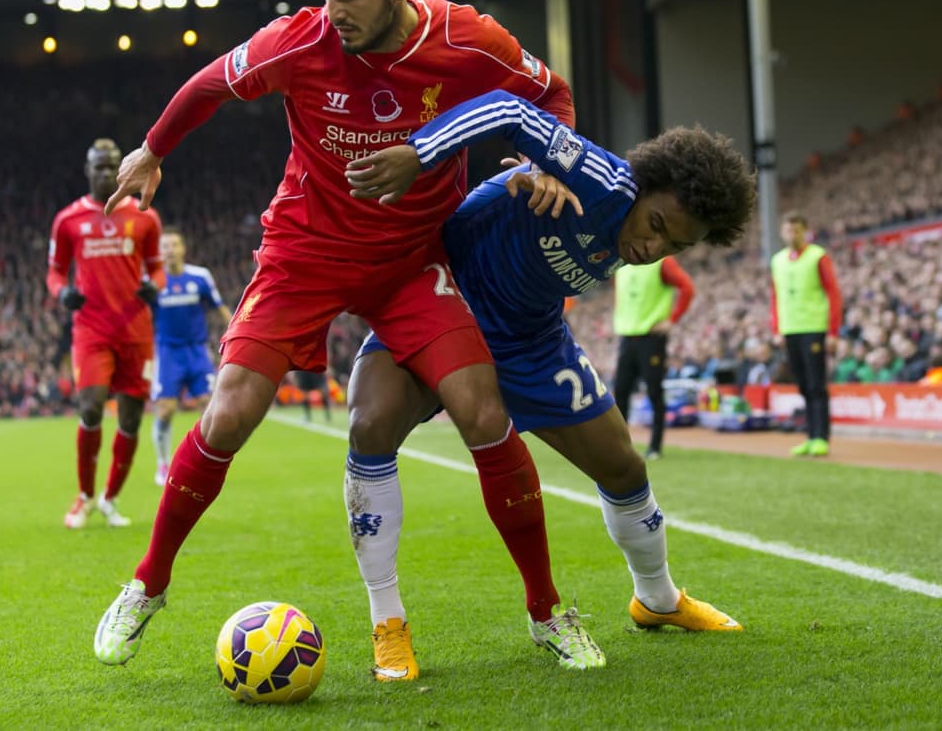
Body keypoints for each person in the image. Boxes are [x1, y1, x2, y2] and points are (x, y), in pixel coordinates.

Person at [93, 0, 596, 671]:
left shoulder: (466, 40)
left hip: (410, 263)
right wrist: (153, 149)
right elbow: (207, 85)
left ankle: (546, 609)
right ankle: (147, 585)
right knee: (228, 414)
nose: (331, 10)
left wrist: (547, 162)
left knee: (482, 409)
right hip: (305, 253)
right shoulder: (299, 40)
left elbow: (552, 95)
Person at [344, 89, 755, 680]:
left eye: (676, 245)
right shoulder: (602, 181)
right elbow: (509, 111)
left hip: (531, 340)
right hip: (445, 307)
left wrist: (538, 169)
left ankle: (657, 600)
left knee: (623, 467)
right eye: (657, 225)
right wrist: (420, 152)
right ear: (641, 187)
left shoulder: (637, 231)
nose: (652, 248)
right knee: (370, 424)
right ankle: (388, 621)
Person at [47, 139, 164, 528]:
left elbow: (158, 269)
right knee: (91, 405)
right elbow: (54, 271)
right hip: (91, 330)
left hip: (135, 331)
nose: (104, 173)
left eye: (111, 166)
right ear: (87, 170)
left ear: (122, 169)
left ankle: (110, 499)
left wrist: (154, 286)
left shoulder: (145, 216)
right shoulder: (69, 220)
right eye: (97, 166)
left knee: (130, 420)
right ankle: (83, 495)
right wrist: (61, 292)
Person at [150, 229, 233, 485]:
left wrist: (235, 337)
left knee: (208, 406)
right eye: (164, 246)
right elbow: (139, 314)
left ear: (183, 249)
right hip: (167, 353)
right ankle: (163, 464)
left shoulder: (200, 277)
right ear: (159, 251)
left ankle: (200, 462)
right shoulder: (152, 282)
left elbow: (219, 307)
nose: (170, 250)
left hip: (196, 351)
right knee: (165, 410)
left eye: (174, 245)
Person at [770, 211, 842, 457]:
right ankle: (810, 436)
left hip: (814, 328)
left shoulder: (818, 257)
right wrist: (777, 328)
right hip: (790, 330)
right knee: (802, 385)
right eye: (789, 230)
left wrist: (833, 331)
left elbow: (833, 293)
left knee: (816, 384)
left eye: (797, 230)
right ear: (782, 232)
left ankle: (821, 437)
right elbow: (775, 297)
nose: (793, 234)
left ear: (805, 231)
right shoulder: (777, 260)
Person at [612, 256, 695, 458]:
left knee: (654, 391)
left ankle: (655, 447)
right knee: (620, 391)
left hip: (651, 338)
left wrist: (672, 320)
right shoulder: (619, 265)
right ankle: (620, 447)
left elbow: (687, 288)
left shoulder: (662, 263)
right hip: (626, 337)